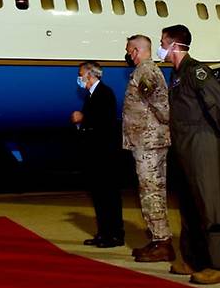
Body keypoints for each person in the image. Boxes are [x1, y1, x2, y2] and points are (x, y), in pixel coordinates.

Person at [160, 25, 220, 284]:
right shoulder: (176, 74)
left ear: (175, 45)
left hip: (201, 140)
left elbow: (219, 102)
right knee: (189, 204)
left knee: (210, 203)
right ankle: (193, 259)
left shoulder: (196, 71)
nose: (161, 48)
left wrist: (219, 132)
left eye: (163, 42)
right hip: (183, 143)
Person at [122, 34, 175, 262]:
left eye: (129, 50)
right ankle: (159, 238)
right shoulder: (146, 71)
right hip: (148, 141)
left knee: (151, 191)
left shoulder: (146, 71)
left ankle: (162, 242)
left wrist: (160, 128)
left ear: (136, 50)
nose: (127, 55)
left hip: (149, 143)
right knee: (153, 191)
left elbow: (161, 105)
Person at [72, 62, 124, 248]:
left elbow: (104, 121)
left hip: (105, 155)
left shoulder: (105, 93)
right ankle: (103, 233)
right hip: (95, 154)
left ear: (90, 74)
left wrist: (83, 118)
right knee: (99, 196)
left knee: (108, 195)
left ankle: (114, 235)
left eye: (80, 74)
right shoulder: (91, 95)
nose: (78, 78)